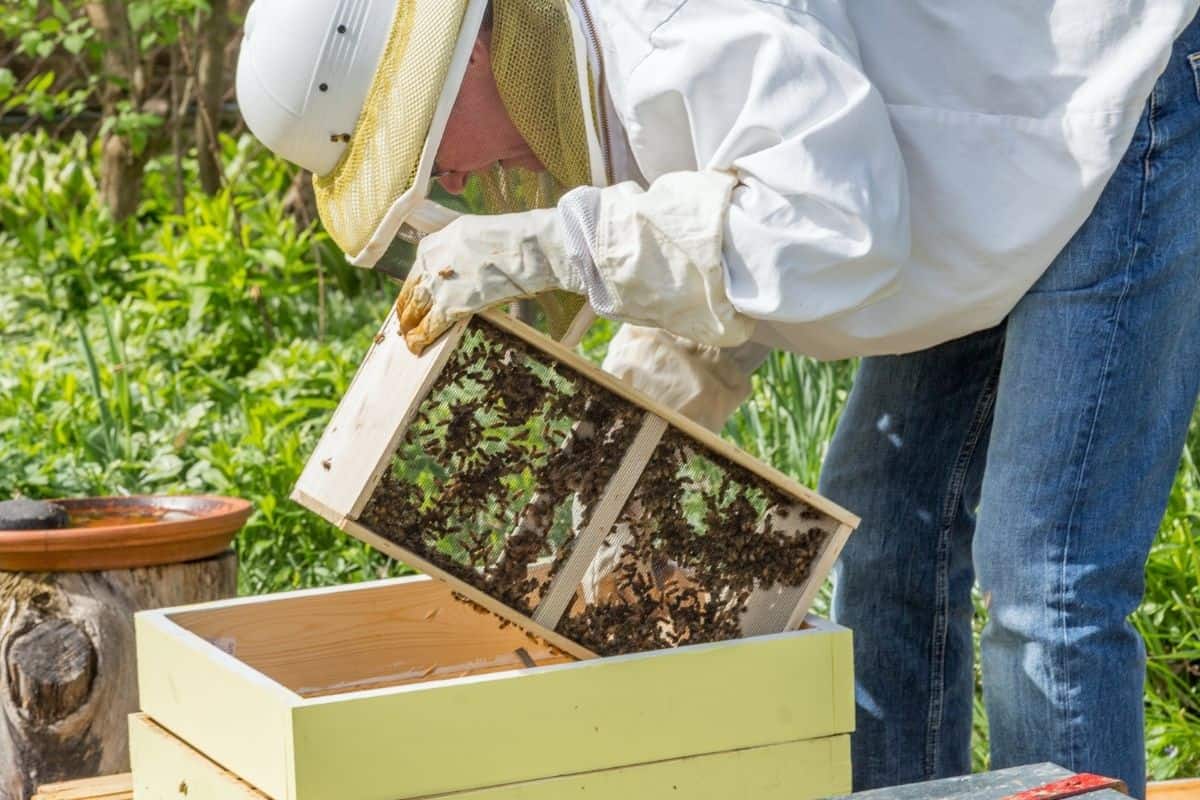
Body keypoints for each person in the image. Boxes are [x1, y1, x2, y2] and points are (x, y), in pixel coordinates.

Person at [235, 0, 1200, 795]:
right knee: (891, 540)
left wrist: (561, 244)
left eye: (421, 150)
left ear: (465, 57)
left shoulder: (674, 23)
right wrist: (625, 426)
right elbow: (718, 219)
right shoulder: (596, 64)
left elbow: (839, 225)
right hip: (980, 175)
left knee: (1043, 579)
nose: (445, 177)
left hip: (1108, 117)